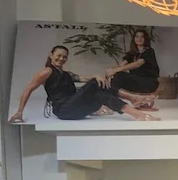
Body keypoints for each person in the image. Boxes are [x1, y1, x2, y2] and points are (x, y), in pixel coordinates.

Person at [9, 45, 158, 122]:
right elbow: (28, 89)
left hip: (74, 110)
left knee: (100, 94)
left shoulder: (66, 74)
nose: (61, 59)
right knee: (95, 84)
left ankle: (137, 114)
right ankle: (133, 98)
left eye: (64, 57)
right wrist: (20, 111)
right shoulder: (46, 72)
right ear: (51, 55)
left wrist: (96, 76)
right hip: (63, 110)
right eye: (58, 56)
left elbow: (82, 78)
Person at [105, 29, 161, 99]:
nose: (139, 38)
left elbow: (137, 64)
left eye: (142, 37)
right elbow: (121, 65)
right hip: (136, 81)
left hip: (148, 83)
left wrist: (115, 70)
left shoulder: (149, 51)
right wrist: (111, 71)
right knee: (114, 76)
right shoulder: (131, 53)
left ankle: (117, 100)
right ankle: (112, 100)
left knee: (118, 75)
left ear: (145, 39)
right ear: (134, 39)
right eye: (137, 36)